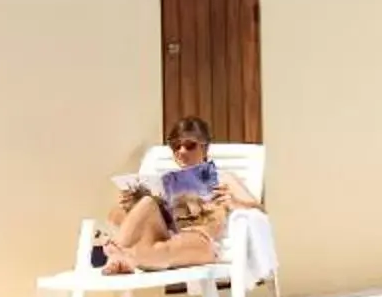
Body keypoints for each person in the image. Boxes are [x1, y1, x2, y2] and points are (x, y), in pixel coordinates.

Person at [95, 116, 261, 275]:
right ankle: (120, 253)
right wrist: (131, 203)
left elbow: (259, 211)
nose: (182, 151)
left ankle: (118, 254)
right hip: (166, 232)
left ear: (205, 148)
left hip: (200, 239)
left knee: (160, 249)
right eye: (176, 146)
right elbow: (119, 215)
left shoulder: (223, 178)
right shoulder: (166, 182)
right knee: (140, 204)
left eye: (190, 145)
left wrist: (234, 201)